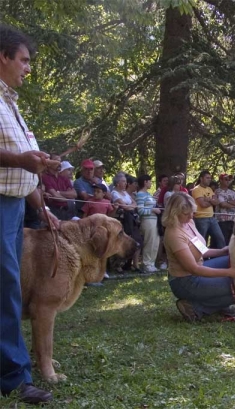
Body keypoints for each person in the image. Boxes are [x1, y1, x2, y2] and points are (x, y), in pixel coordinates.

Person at [0, 24, 55, 404]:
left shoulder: (11, 103)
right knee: (6, 290)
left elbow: (25, 168)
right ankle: (14, 378)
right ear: (3, 57)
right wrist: (21, 159)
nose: (28, 68)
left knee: (8, 287)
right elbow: (16, 161)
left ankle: (13, 368)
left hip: (17, 207)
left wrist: (42, 204)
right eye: (23, 60)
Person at [163, 192, 235, 322]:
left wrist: (223, 251)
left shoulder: (189, 222)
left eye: (192, 211)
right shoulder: (173, 234)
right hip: (184, 281)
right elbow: (194, 269)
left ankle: (217, 303)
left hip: (199, 269)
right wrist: (230, 272)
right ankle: (197, 308)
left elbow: (201, 250)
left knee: (233, 262)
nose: (191, 215)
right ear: (174, 212)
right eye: (186, 213)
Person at [191, 170, 226, 249]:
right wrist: (211, 201)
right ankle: (200, 258)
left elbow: (217, 202)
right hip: (201, 218)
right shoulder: (196, 189)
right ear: (201, 178)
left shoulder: (209, 189)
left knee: (220, 239)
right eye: (207, 178)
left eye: (210, 178)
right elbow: (203, 204)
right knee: (201, 241)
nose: (209, 179)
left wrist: (208, 200)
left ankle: (222, 257)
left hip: (212, 218)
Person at [136, 174, 161, 273]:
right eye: (150, 181)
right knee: (149, 242)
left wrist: (155, 197)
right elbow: (140, 210)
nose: (151, 183)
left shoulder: (148, 194)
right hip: (147, 221)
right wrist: (153, 210)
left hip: (154, 220)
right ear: (145, 182)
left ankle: (152, 263)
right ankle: (146, 264)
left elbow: (150, 204)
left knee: (155, 242)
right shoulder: (140, 194)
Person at [41, 155, 76, 220]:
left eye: (60, 161)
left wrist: (58, 192)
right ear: (49, 163)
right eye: (56, 161)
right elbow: (55, 196)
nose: (59, 163)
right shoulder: (45, 177)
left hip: (66, 211)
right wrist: (68, 197)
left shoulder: (64, 178)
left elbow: (74, 194)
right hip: (53, 210)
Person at [214, 173, 235, 245]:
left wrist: (228, 202)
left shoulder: (232, 192)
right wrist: (232, 204)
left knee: (232, 241)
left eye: (229, 179)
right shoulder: (217, 192)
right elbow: (222, 204)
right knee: (223, 241)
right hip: (222, 220)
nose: (228, 181)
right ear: (221, 180)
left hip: (232, 219)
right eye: (226, 179)